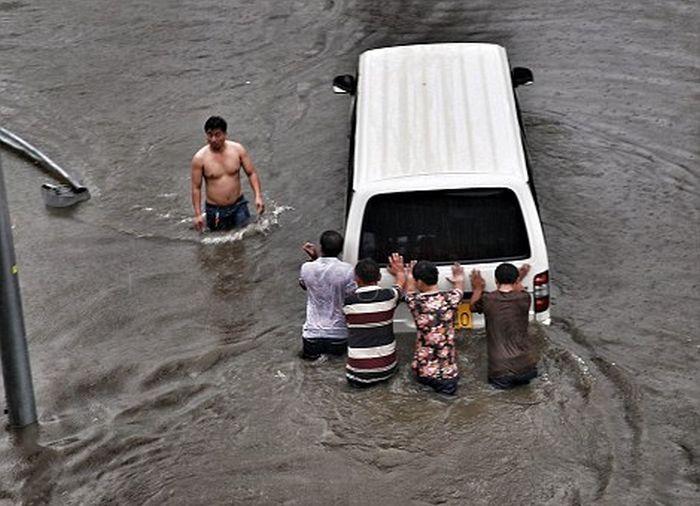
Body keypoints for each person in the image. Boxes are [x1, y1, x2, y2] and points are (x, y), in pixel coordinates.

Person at [469, 263, 538, 389]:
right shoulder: (525, 298)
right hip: (527, 368)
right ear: (517, 281)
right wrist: (520, 276)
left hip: (500, 372)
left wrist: (478, 288)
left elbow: (472, 307)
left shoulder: (487, 300)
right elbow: (516, 290)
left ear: (495, 280)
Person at [190, 115, 264, 232]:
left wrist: (258, 196)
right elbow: (196, 188)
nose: (213, 139)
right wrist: (198, 214)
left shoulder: (238, 150)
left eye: (217, 134)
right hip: (215, 210)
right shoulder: (199, 158)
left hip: (239, 205)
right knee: (217, 245)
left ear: (225, 134)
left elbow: (251, 173)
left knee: (245, 239)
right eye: (210, 135)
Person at [402, 259, 465, 395]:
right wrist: (458, 277)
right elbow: (459, 288)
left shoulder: (416, 302)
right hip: (449, 375)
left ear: (419, 282)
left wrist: (409, 275)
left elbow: (409, 290)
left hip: (424, 372)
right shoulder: (451, 299)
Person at [342, 255, 405, 388]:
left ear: (356, 279)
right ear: (379, 278)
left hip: (357, 374)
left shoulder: (348, 303)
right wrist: (399, 271)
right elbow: (400, 283)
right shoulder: (389, 296)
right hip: (387, 370)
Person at [299, 231, 355, 360]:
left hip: (311, 334)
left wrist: (314, 258)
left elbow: (305, 286)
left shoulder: (306, 267)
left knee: (311, 375)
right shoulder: (347, 270)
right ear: (341, 249)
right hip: (338, 334)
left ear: (321, 247)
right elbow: (351, 296)